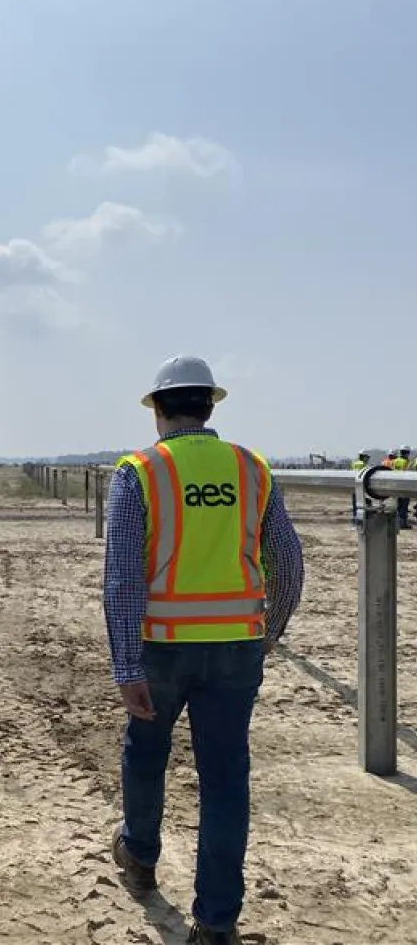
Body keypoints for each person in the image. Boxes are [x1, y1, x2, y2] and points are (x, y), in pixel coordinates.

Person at [103, 357, 304, 945]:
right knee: (224, 778)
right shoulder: (252, 468)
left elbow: (121, 577)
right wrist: (268, 631)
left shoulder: (140, 471)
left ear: (159, 410)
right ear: (209, 407)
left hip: (161, 646)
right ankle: (216, 922)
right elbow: (288, 565)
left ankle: (140, 853)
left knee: (146, 750)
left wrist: (125, 663)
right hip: (236, 648)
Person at [351, 449, 370, 526]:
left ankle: (355, 521)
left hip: (354, 485)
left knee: (355, 504)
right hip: (361, 486)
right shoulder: (364, 465)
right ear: (364, 457)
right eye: (367, 457)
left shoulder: (354, 463)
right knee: (362, 505)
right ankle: (361, 522)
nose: (368, 459)